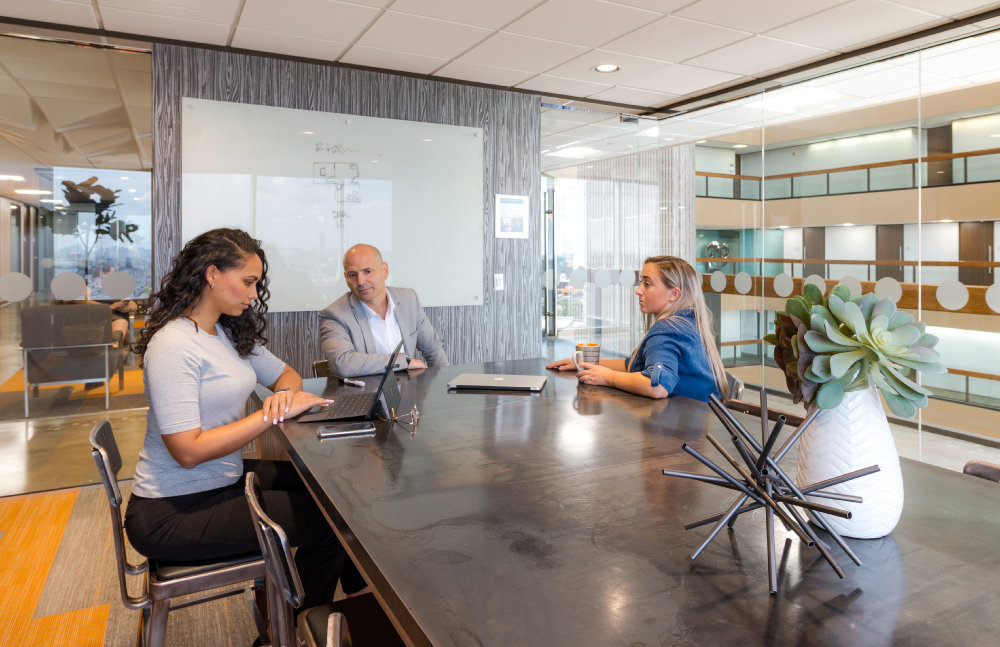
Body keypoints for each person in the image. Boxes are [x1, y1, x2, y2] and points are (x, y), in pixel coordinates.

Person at [124, 228, 367, 609]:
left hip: (220, 477)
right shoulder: (174, 345)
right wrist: (268, 417)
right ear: (212, 274)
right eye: (248, 282)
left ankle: (352, 592)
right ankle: (294, 626)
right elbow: (187, 451)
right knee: (335, 524)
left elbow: (286, 374)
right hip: (172, 509)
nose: (254, 294)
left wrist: (283, 397)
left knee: (330, 489)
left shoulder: (223, 331)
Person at [547, 255, 727, 402]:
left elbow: (656, 386)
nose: (638, 290)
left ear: (674, 293)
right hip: (702, 427)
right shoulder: (688, 321)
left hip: (681, 432)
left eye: (647, 284)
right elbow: (634, 364)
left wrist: (608, 377)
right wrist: (588, 364)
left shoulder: (669, 329)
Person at [319, 243, 449, 377]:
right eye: (352, 275)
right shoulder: (334, 315)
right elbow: (343, 364)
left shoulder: (408, 300)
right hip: (365, 395)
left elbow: (433, 350)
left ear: (385, 270)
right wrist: (401, 361)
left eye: (367, 271)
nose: (360, 281)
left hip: (410, 392)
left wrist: (443, 387)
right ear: (346, 278)